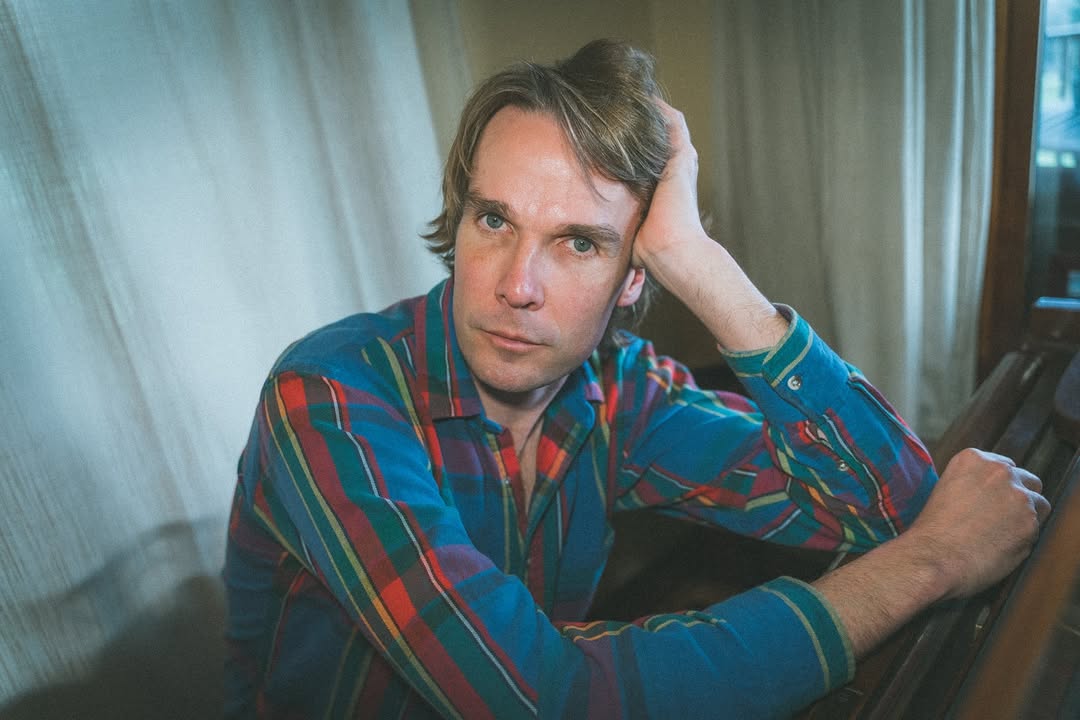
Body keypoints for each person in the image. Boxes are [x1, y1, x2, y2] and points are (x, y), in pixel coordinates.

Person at [223, 39, 1050, 719]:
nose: (517, 285)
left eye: (580, 242)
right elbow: (538, 695)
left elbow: (889, 504)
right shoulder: (331, 398)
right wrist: (932, 565)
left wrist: (701, 264)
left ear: (634, 277)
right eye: (494, 219)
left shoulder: (616, 388)